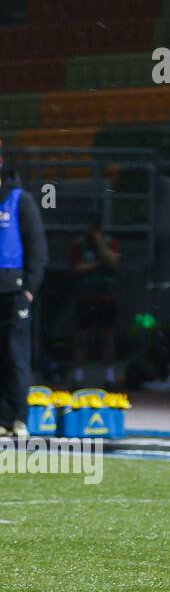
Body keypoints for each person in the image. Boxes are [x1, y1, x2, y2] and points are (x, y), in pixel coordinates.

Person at [0, 138, 47, 438]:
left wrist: (28, 290)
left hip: (13, 292)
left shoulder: (20, 200)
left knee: (15, 355)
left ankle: (16, 418)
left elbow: (37, 250)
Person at [69, 220, 120, 385]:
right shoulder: (78, 244)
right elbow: (78, 268)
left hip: (106, 297)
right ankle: (78, 377)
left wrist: (100, 244)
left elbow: (112, 262)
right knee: (81, 338)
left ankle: (109, 377)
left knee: (107, 338)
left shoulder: (110, 242)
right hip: (85, 298)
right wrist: (98, 263)